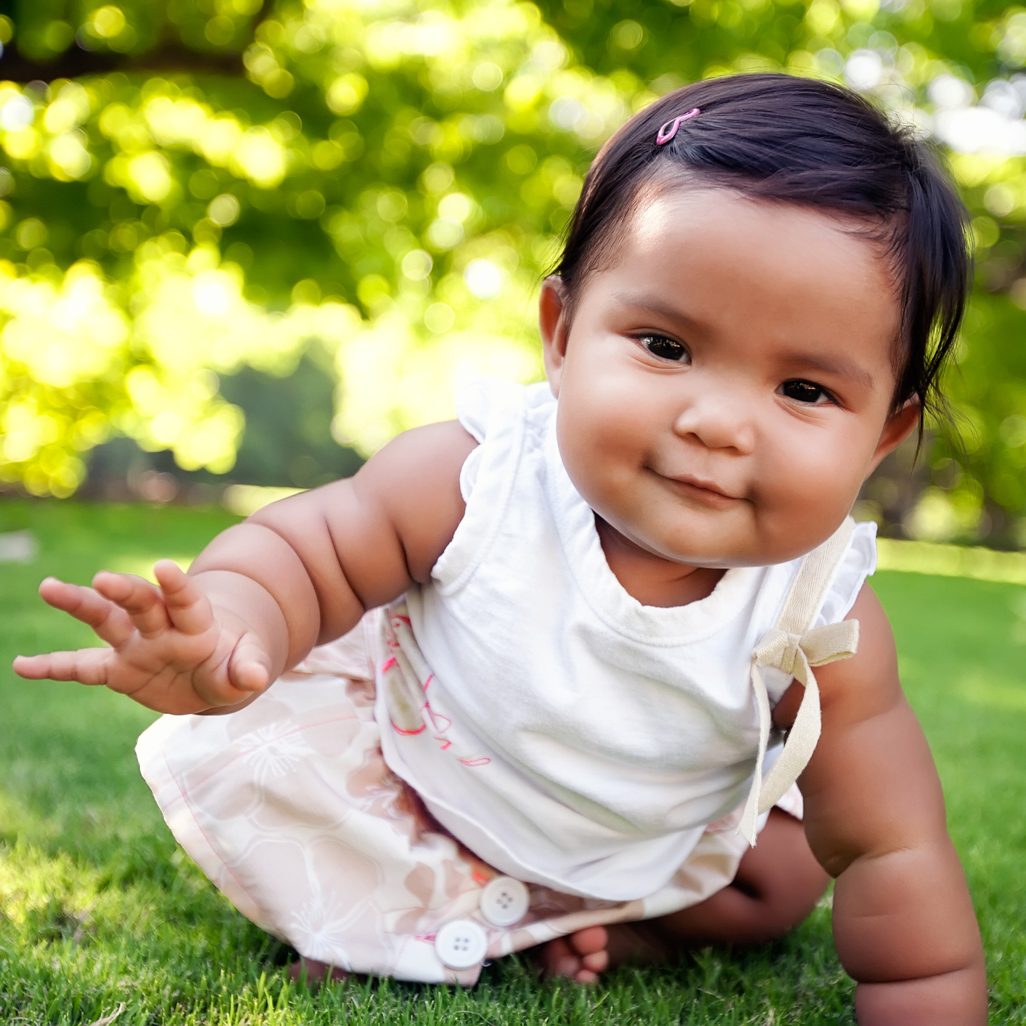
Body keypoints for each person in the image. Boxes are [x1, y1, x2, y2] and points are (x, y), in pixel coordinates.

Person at [15, 73, 987, 1023]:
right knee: (321, 802)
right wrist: (230, 626)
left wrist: (923, 990)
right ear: (562, 336)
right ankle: (400, 926)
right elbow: (308, 552)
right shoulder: (478, 478)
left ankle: (582, 921)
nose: (719, 423)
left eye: (806, 392)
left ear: (882, 436)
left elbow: (889, 846)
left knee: (776, 882)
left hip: (636, 835)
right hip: (429, 779)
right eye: (666, 346)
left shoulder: (823, 618)